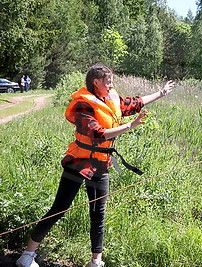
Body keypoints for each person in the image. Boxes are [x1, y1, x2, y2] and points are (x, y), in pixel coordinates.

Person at [16, 64, 175, 267]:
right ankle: (27, 256)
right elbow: (98, 133)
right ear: (96, 82)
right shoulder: (83, 105)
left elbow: (133, 103)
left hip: (101, 164)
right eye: (108, 81)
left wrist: (161, 93)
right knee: (60, 209)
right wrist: (130, 126)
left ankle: (95, 262)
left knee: (98, 213)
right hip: (79, 163)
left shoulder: (110, 98)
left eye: (112, 81)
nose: (112, 85)